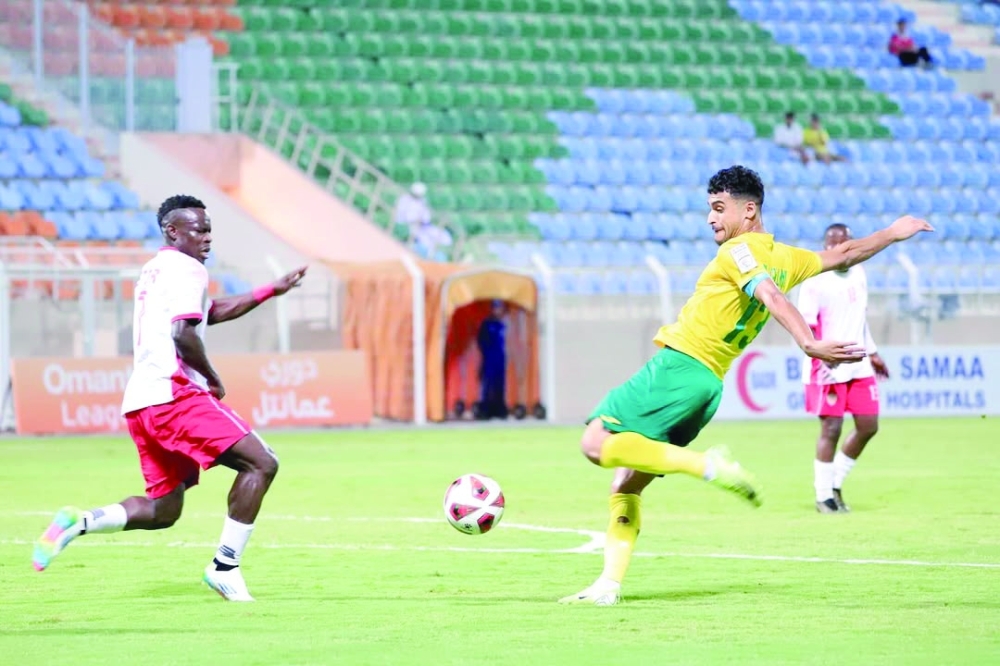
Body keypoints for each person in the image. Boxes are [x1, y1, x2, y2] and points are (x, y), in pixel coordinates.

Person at [559, 166, 932, 606]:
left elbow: (771, 296)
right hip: (707, 388)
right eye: (710, 209)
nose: (711, 218)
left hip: (678, 367)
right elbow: (843, 256)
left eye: (720, 208)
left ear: (749, 210)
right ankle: (609, 586)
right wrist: (891, 232)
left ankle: (706, 465)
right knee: (626, 485)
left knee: (594, 442)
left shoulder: (738, 252)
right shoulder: (786, 257)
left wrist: (808, 342)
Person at [32, 195, 308, 602]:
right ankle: (225, 567)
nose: (207, 237)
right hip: (174, 393)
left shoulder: (156, 270)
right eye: (198, 229)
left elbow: (210, 311)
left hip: (142, 402)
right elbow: (184, 333)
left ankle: (81, 521)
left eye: (209, 228)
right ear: (172, 231)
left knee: (164, 511)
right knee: (262, 462)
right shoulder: (188, 269)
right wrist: (213, 378)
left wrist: (270, 289)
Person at [797, 224, 890, 514]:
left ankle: (834, 483)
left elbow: (858, 318)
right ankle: (823, 496)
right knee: (832, 428)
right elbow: (807, 326)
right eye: (831, 244)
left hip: (859, 363)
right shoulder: (814, 280)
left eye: (843, 243)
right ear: (825, 247)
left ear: (852, 245)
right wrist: (823, 355)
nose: (837, 248)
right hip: (827, 365)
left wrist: (872, 352)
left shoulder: (859, 273)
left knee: (868, 426)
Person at [476, 300, 508, 419]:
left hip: (500, 359)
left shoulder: (502, 324)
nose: (498, 311)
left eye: (500, 308)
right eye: (496, 308)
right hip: (489, 359)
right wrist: (487, 352)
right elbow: (481, 340)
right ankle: (486, 411)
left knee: (500, 384)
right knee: (488, 384)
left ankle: (499, 410)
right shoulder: (487, 323)